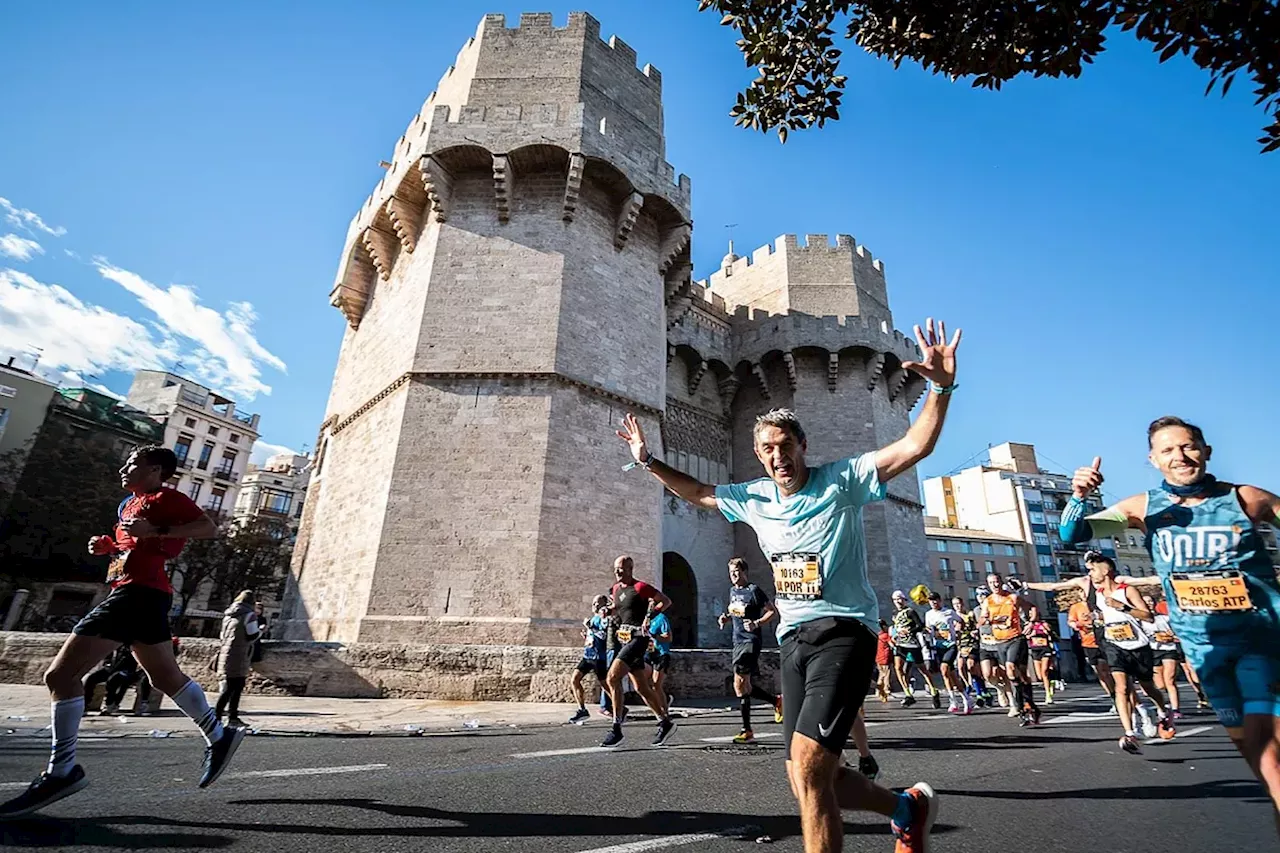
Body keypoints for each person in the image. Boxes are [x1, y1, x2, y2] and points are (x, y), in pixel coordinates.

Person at [615, 316, 960, 853]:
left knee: (809, 764)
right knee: (804, 779)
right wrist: (649, 462)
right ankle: (906, 808)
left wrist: (939, 387)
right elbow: (701, 493)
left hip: (845, 630)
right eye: (768, 449)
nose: (778, 456)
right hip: (793, 640)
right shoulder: (752, 498)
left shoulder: (843, 480)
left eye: (785, 445)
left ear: (803, 444)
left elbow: (915, 446)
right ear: (759, 455)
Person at [0, 446, 242, 820]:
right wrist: (109, 547)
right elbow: (135, 546)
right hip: (143, 593)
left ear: (156, 470)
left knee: (61, 676)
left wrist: (156, 528)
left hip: (139, 593)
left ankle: (61, 772)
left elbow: (208, 529)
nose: (122, 469)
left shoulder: (167, 498)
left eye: (132, 465)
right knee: (163, 676)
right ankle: (218, 735)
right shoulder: (127, 504)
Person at [1064, 418, 1280, 778]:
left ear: (1206, 452)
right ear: (1153, 459)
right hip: (1204, 649)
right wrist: (1078, 497)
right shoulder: (1142, 508)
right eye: (1168, 450)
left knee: (1271, 758)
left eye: (1188, 446)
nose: (1180, 456)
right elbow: (1074, 534)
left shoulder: (1245, 498)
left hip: (1258, 639)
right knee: (1262, 765)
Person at [599, 556, 677, 748]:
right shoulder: (617, 589)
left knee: (612, 678)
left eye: (622, 569)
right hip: (625, 638)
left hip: (638, 639)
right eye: (616, 568)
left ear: (630, 569)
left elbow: (665, 601)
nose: (618, 572)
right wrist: (608, 611)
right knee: (641, 687)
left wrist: (650, 617)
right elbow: (619, 608)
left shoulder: (641, 587)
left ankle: (616, 727)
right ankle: (664, 722)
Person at [716, 558, 781, 743]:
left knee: (740, 684)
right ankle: (776, 701)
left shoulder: (753, 590)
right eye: (731, 572)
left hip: (750, 641)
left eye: (736, 572)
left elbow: (771, 611)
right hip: (736, 641)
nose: (733, 576)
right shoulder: (732, 591)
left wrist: (757, 623)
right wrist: (726, 618)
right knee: (745, 686)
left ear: (745, 572)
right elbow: (736, 611)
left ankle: (747, 731)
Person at [976, 573, 1040, 726]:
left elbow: (1032, 607)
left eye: (997, 582)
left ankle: (1019, 706)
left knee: (1011, 669)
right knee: (1020, 675)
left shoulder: (1012, 598)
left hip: (1016, 638)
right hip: (1000, 642)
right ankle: (1029, 705)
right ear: (988, 585)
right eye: (991, 583)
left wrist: (1031, 623)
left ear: (1001, 582)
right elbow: (981, 620)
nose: (995, 585)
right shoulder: (988, 601)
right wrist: (987, 619)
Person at [1066, 588, 1117, 713]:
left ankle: (1122, 694)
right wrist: (1076, 625)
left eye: (1086, 591)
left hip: (1106, 640)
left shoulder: (1099, 604)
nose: (1084, 594)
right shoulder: (1076, 607)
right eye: (1081, 592)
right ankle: (1113, 696)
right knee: (1100, 672)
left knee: (1112, 670)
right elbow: (1071, 621)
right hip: (1088, 643)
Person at [214, 590, 260, 728]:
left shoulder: (228, 615)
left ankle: (226, 716)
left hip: (226, 652)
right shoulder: (249, 615)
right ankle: (222, 716)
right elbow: (252, 635)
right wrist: (261, 630)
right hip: (239, 654)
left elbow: (222, 636)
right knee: (233, 688)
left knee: (230, 686)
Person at [924, 592, 971, 714]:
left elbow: (961, 621)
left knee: (944, 669)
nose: (933, 603)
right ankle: (964, 698)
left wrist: (957, 631)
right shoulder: (928, 614)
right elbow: (928, 628)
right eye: (931, 601)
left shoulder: (949, 612)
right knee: (950, 675)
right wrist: (930, 632)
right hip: (938, 646)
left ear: (940, 600)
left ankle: (954, 700)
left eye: (935, 600)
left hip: (951, 645)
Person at [889, 590, 938, 709]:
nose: (898, 601)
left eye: (900, 599)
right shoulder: (895, 614)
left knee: (922, 669)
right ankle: (908, 694)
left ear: (904, 600)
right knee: (898, 668)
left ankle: (933, 690)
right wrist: (894, 637)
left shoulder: (910, 612)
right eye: (895, 600)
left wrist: (910, 631)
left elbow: (920, 625)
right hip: (900, 644)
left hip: (912, 644)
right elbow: (897, 628)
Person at [569, 595, 611, 724]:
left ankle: (619, 707)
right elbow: (594, 637)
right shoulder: (593, 618)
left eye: (598, 603)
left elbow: (604, 635)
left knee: (607, 686)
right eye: (593, 603)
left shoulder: (604, 618)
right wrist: (586, 635)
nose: (595, 606)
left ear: (605, 604)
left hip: (599, 658)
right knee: (574, 680)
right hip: (588, 655)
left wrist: (591, 628)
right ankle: (582, 709)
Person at [1142, 594, 1184, 721]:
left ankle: (1176, 709)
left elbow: (1178, 634)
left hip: (1168, 650)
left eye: (1150, 601)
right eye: (1146, 602)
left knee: (1169, 680)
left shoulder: (1165, 618)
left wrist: (1171, 636)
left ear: (1154, 603)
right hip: (1152, 651)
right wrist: (1153, 637)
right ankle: (1164, 705)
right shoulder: (1140, 621)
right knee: (1159, 685)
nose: (1149, 604)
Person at [951, 597, 986, 708]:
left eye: (959, 603)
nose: (957, 606)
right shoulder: (952, 617)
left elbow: (977, 625)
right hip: (961, 645)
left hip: (972, 643)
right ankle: (968, 685)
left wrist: (975, 632)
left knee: (971, 666)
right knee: (961, 668)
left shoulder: (970, 615)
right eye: (955, 604)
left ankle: (980, 692)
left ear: (963, 604)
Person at [1025, 606, 1058, 705]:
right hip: (1035, 650)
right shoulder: (1028, 625)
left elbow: (1053, 636)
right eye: (1030, 614)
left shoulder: (1044, 624)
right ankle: (1050, 681)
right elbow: (1024, 637)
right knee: (1040, 676)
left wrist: (1047, 632)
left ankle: (1048, 694)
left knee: (1044, 671)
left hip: (1045, 649)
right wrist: (1031, 635)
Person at [645, 608, 673, 707]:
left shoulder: (661, 618)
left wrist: (654, 636)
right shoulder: (645, 618)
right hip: (648, 653)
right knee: (643, 683)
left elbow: (669, 637)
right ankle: (662, 701)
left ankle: (664, 712)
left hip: (661, 654)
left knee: (656, 685)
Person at [874, 620, 894, 702]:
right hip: (885, 657)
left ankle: (878, 690)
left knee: (881, 674)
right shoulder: (885, 635)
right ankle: (886, 689)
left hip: (878, 657)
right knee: (886, 674)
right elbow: (892, 644)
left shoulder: (877, 635)